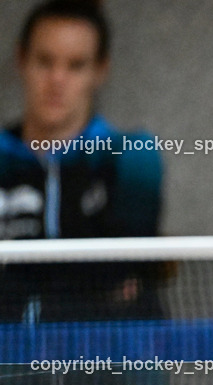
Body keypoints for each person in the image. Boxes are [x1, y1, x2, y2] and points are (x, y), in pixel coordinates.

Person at [0, 0, 163, 322]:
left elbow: (121, 275)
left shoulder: (130, 157)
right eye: (44, 61)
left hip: (106, 345)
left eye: (76, 65)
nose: (57, 79)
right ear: (21, 60)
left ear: (100, 70)